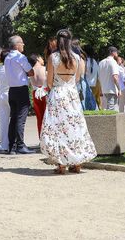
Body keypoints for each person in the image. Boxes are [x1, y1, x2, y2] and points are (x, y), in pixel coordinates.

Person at [40, 29, 96, 174]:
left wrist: (56, 87)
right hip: (72, 94)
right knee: (75, 127)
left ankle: (61, 164)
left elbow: (50, 81)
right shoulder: (77, 58)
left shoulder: (53, 57)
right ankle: (77, 163)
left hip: (58, 94)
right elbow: (77, 79)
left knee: (58, 128)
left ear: (58, 41)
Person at [4, 35, 34, 154]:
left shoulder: (7, 58)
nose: (23, 45)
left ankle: (12, 145)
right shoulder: (20, 57)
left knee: (14, 118)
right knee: (21, 118)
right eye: (21, 43)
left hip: (12, 90)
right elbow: (30, 72)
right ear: (16, 45)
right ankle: (20, 145)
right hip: (21, 90)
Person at [28, 53, 47, 138]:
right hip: (45, 92)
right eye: (42, 58)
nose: (43, 60)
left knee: (39, 118)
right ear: (38, 58)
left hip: (35, 93)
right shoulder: (45, 69)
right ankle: (48, 138)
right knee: (48, 117)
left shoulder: (30, 71)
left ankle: (41, 138)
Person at [98, 46, 121, 111]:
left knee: (107, 109)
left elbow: (99, 77)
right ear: (113, 53)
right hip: (112, 89)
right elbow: (115, 77)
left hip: (104, 89)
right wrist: (119, 89)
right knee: (112, 110)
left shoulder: (101, 62)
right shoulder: (113, 62)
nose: (117, 54)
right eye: (116, 52)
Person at [0, 49, 10, 152]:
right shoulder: (10, 68)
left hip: (1, 95)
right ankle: (12, 143)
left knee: (3, 121)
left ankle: (4, 145)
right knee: (14, 120)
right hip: (10, 94)